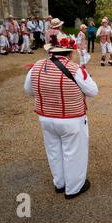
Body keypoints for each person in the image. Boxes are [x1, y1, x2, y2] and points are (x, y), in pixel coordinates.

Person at [24, 32, 98, 199]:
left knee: (53, 151)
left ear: (51, 51)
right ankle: (73, 188)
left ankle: (59, 183)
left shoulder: (36, 66)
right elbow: (93, 91)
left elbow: (28, 90)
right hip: (71, 118)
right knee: (74, 152)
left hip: (45, 116)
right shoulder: (75, 68)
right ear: (70, 53)